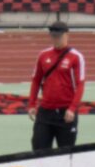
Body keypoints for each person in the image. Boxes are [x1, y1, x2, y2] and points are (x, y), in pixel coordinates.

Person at [26, 21, 86, 151]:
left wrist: (72, 108)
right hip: (45, 113)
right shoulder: (43, 55)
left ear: (67, 35)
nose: (56, 39)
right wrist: (32, 104)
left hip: (66, 115)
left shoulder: (76, 57)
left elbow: (80, 84)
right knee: (38, 150)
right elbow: (36, 80)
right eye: (53, 36)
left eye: (59, 36)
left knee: (65, 153)